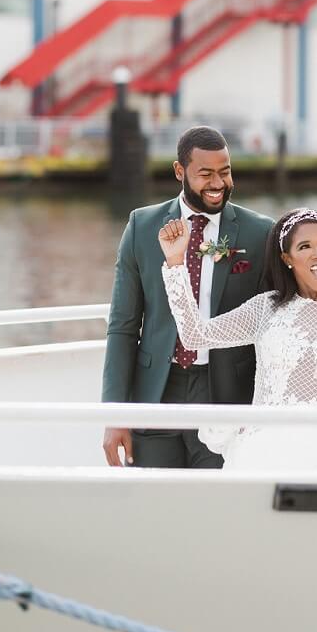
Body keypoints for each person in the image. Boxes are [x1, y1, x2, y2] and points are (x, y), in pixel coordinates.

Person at [158, 207, 317, 471]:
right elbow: (195, 336)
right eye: (305, 246)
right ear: (287, 258)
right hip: (260, 451)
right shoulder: (266, 308)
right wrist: (175, 262)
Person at [102, 125, 274, 468]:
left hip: (225, 394)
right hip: (156, 391)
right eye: (205, 173)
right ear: (180, 171)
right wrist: (115, 413)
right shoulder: (142, 227)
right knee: (155, 499)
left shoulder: (260, 232)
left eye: (225, 172)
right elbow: (123, 325)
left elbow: (270, 323)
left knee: (215, 501)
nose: (217, 183)